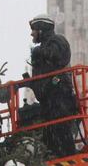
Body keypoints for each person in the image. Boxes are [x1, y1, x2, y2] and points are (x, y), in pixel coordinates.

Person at [28, 14, 77, 157]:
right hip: (47, 101)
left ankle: (68, 156)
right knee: (49, 134)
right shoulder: (42, 48)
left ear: (41, 30)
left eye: (34, 30)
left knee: (61, 130)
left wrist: (39, 52)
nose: (32, 34)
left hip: (60, 97)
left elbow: (57, 57)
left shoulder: (58, 41)